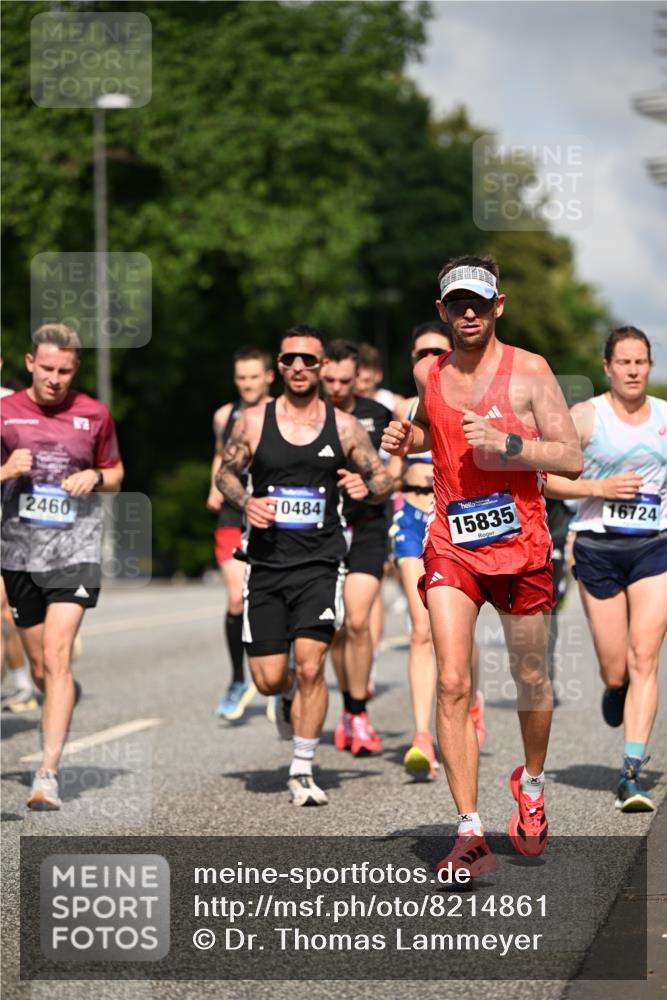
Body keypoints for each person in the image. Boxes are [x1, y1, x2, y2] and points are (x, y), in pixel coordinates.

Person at [382, 256, 582, 875]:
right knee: (451, 680)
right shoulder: (428, 372)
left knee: (530, 681)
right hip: (452, 542)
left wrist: (510, 444)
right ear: (442, 311)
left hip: (521, 544)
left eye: (479, 302)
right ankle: (469, 832)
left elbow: (571, 458)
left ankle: (532, 782)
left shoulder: (531, 370)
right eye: (456, 303)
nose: (468, 312)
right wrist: (403, 440)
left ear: (499, 306)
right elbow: (431, 433)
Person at [216, 325, 393, 806]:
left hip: (321, 561)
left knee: (313, 664)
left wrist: (367, 487)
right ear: (279, 364)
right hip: (268, 565)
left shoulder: (344, 427)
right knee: (270, 678)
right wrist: (248, 501)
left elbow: (381, 478)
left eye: (308, 361)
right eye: (290, 359)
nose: (299, 368)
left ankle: (302, 768)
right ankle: (287, 693)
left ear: (322, 368)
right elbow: (226, 473)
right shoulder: (253, 421)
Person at [1, 324, 124, 810]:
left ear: (76, 369)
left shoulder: (93, 413)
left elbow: (116, 473)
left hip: (75, 550)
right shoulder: (5, 413)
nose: (55, 379)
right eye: (48, 369)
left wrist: (95, 475)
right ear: (30, 362)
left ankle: (47, 773)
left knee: (57, 656)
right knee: (38, 666)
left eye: (66, 371)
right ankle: (57, 693)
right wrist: (6, 471)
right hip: (18, 555)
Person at [546, 326, 667, 812]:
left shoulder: (664, 418)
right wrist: (599, 489)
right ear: (607, 367)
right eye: (624, 362)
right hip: (597, 548)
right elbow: (547, 478)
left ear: (649, 366)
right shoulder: (584, 417)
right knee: (617, 667)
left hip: (653, 547)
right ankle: (614, 687)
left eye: (641, 362)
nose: (633, 370)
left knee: (645, 658)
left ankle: (630, 773)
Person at [388, 321, 487, 781]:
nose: (428, 359)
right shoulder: (407, 405)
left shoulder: (471, 396)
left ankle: (470, 702)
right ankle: (422, 735)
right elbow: (389, 471)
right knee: (421, 627)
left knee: (456, 636)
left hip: (457, 520)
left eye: (436, 351)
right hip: (412, 519)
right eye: (420, 352)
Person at [321, 339, 392, 756]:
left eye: (344, 381)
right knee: (335, 627)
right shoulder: (306, 416)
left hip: (366, 527)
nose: (336, 388)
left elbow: (390, 475)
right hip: (322, 531)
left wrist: (369, 484)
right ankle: (348, 706)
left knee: (359, 621)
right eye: (328, 379)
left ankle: (358, 712)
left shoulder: (376, 415)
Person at [207, 346, 274, 721]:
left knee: (279, 596)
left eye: (253, 377)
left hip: (273, 513)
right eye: (241, 378)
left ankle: (284, 677)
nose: (247, 384)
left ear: (268, 377)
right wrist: (213, 486)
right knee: (236, 599)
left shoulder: (282, 411)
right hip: (235, 511)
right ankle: (238, 680)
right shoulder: (224, 415)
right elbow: (221, 456)